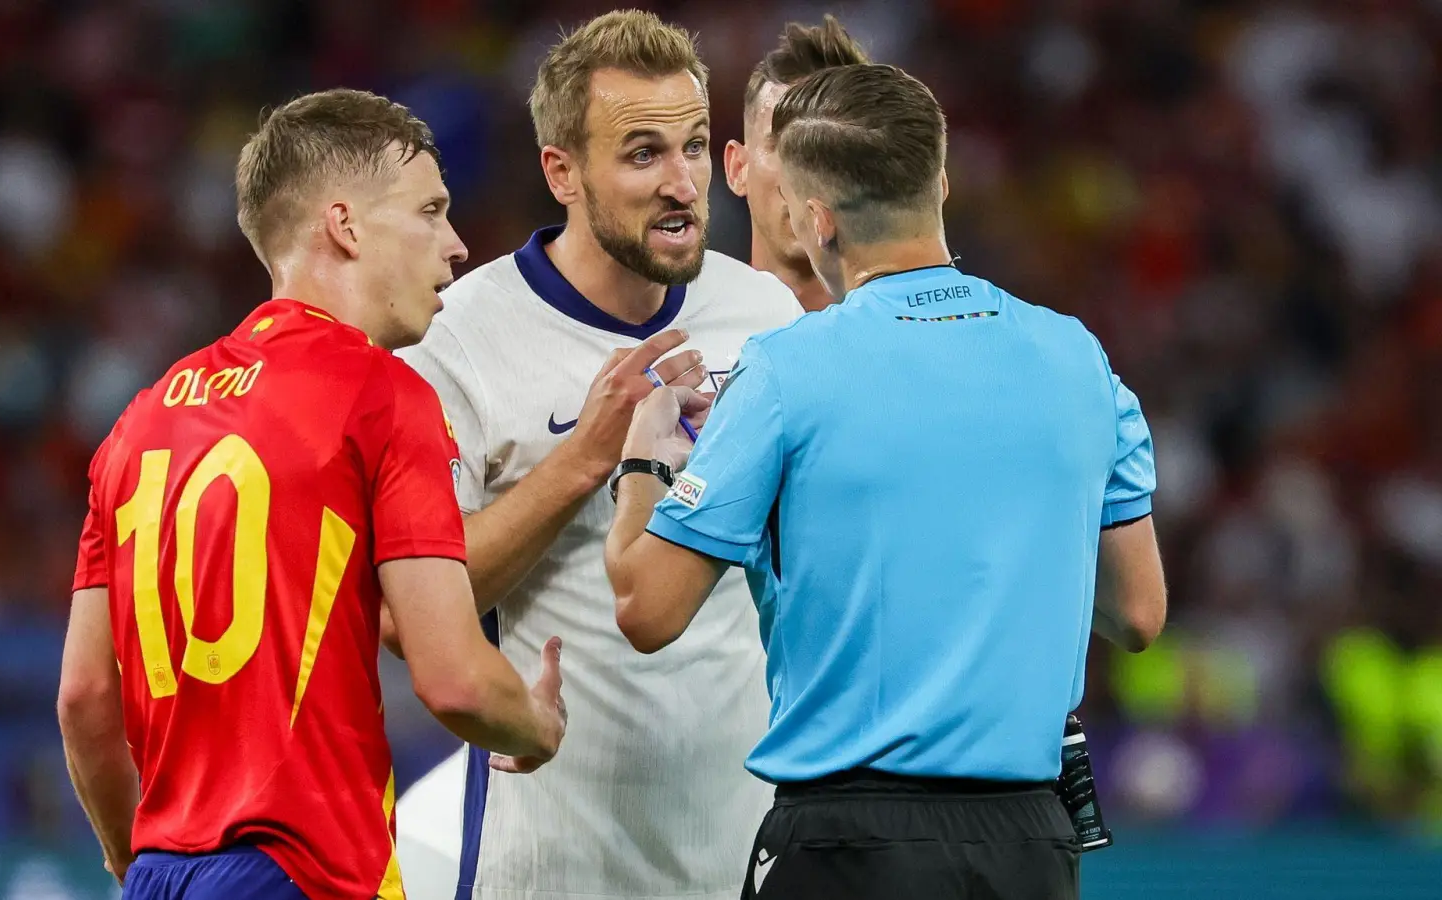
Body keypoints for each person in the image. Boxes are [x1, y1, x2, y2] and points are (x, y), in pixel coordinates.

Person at [605, 64, 1167, 900]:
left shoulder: (786, 373)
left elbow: (647, 610)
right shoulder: (1078, 359)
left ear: (818, 221)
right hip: (1029, 847)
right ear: (939, 182)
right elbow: (1137, 613)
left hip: (847, 844)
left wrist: (642, 462)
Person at [57, 89, 567, 900]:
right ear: (346, 225)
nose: (457, 245)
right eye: (430, 211)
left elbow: (86, 699)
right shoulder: (380, 395)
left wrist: (135, 862)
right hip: (307, 872)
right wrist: (535, 723)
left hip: (160, 876)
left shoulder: (137, 423)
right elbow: (454, 678)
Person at [393, 10, 803, 900]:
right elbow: (408, 619)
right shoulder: (457, 341)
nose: (683, 183)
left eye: (695, 147)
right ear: (562, 171)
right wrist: (585, 457)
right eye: (643, 153)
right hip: (546, 866)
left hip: (741, 857)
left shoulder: (768, 320)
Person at [725, 15, 870, 312]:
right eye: (781, 146)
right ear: (738, 169)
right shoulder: (690, 340)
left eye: (828, 145)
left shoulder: (909, 339)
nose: (801, 175)